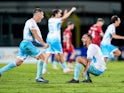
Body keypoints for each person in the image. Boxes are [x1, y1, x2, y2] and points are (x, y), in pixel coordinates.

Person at [0, 8, 49, 83]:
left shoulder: (32, 22)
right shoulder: (31, 22)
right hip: (27, 44)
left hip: (24, 44)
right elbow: (35, 34)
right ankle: (38, 78)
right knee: (42, 57)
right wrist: (43, 43)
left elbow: (35, 36)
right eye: (42, 15)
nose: (42, 17)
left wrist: (41, 43)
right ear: (38, 14)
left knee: (18, 62)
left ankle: (0, 71)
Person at [42, 7, 76, 74]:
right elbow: (64, 18)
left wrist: (64, 15)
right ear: (56, 14)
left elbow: (59, 25)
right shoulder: (55, 20)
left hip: (49, 38)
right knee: (60, 54)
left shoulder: (51, 20)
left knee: (48, 53)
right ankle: (65, 69)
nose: (61, 14)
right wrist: (71, 10)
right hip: (55, 39)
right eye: (60, 13)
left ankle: (44, 69)